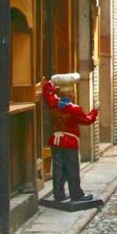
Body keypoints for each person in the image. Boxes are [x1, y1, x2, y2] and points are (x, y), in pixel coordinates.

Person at [42, 75, 99, 203]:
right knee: (72, 169)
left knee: (58, 169)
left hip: (56, 141)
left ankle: (59, 194)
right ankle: (76, 194)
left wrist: (50, 83)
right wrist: (95, 110)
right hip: (69, 142)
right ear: (72, 94)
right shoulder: (74, 109)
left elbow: (47, 93)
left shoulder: (53, 104)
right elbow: (88, 120)